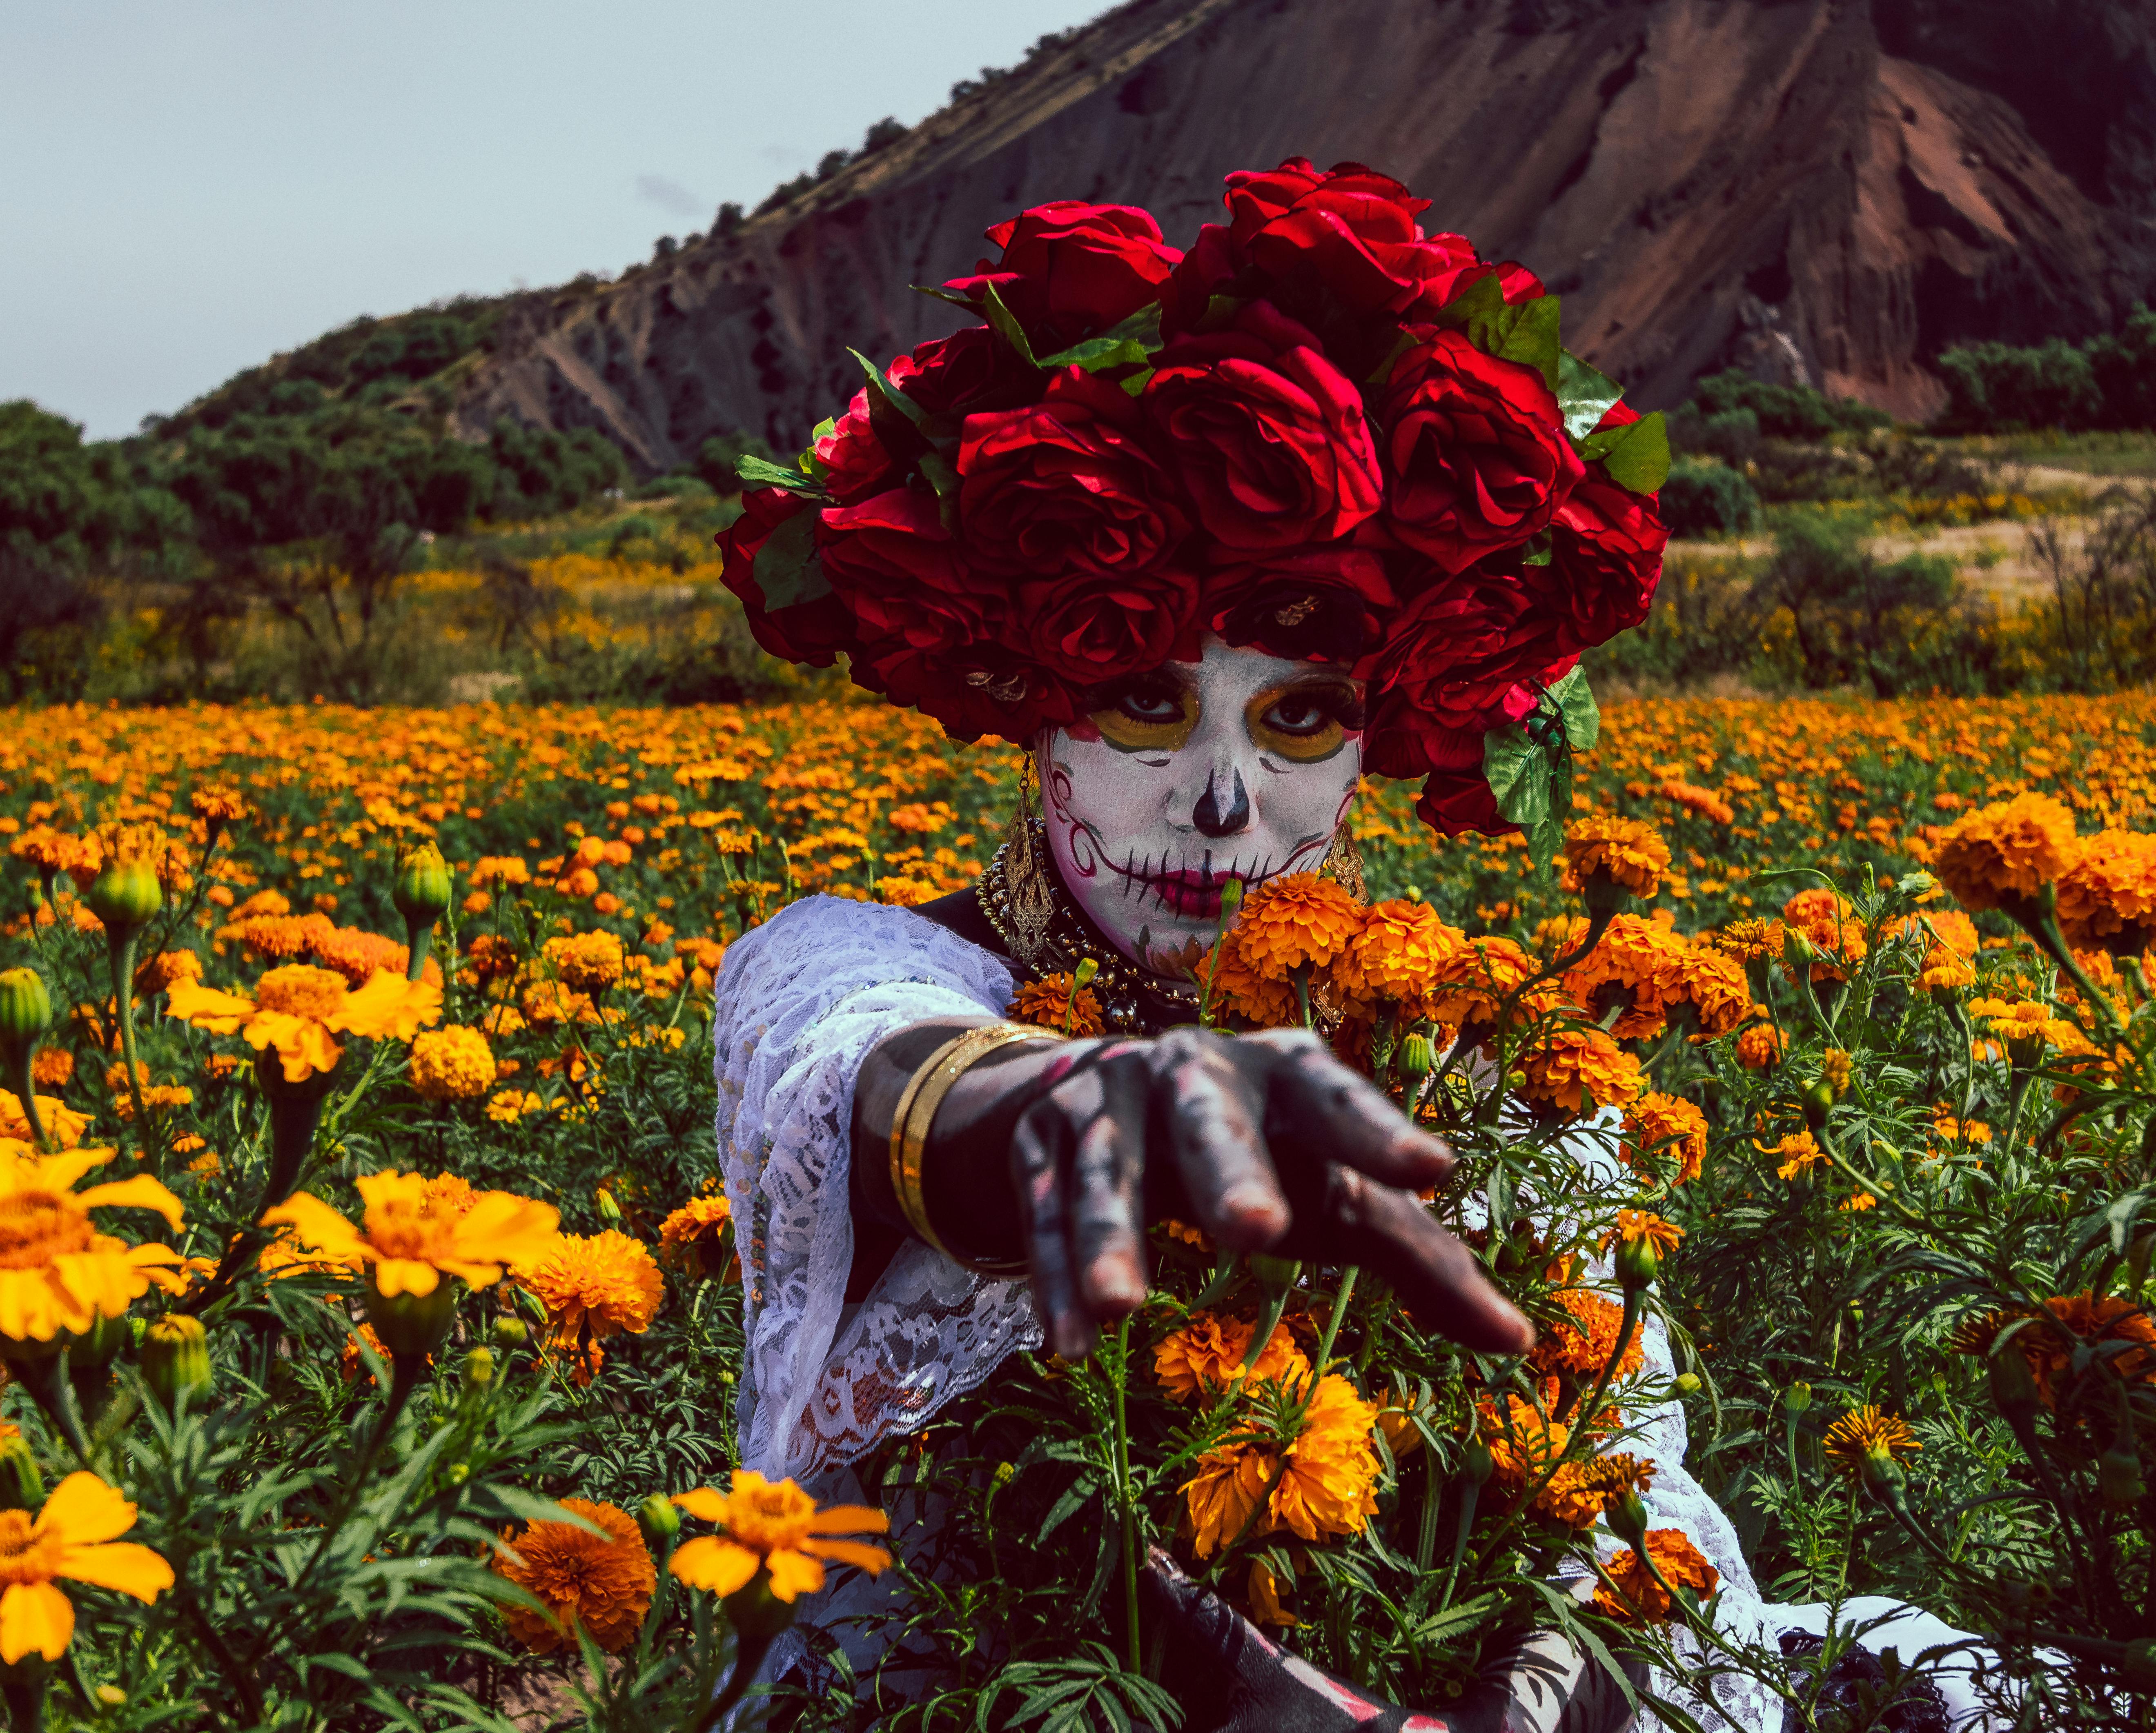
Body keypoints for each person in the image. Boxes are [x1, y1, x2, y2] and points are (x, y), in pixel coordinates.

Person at [710, 161, 1992, 1730]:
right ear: (1036, 706)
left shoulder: (1481, 1069)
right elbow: (888, 1080)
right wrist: (1101, 1111)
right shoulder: (864, 973)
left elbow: (1618, 1505)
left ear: (1376, 738)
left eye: (1301, 715)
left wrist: (1540, 1681)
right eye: (1147, 703)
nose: (1226, 797)